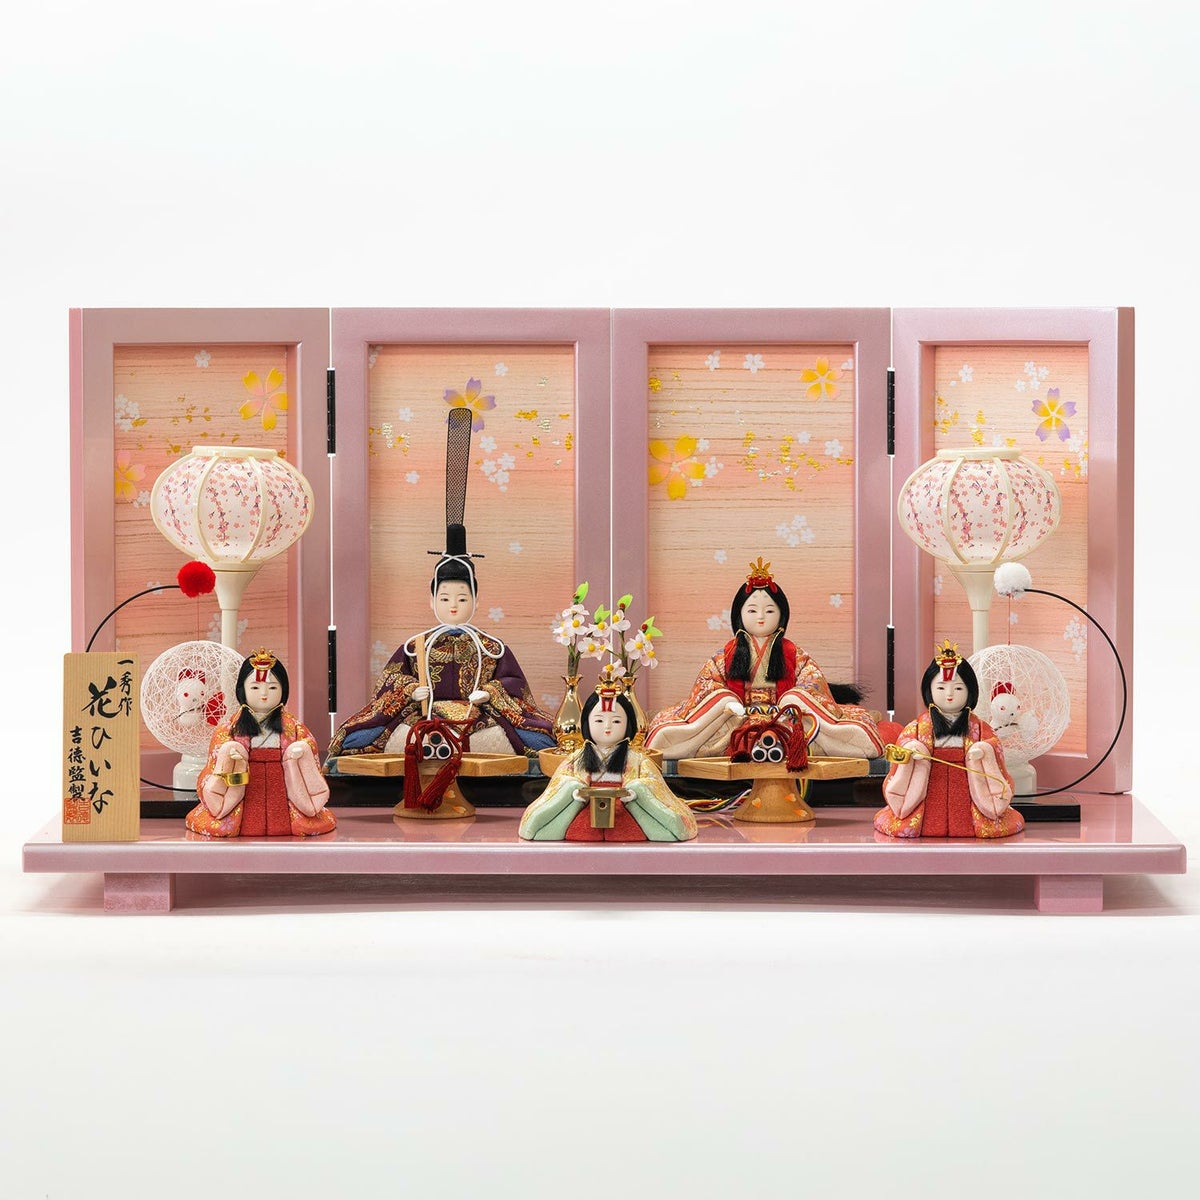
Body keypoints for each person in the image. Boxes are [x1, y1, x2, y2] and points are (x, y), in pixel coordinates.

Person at [326, 523, 554, 763]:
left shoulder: (492, 648)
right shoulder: (415, 646)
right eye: (444, 598)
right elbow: (390, 682)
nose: (453, 605)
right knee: (357, 739)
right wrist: (411, 690)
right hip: (423, 715)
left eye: (462, 598)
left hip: (479, 717)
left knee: (541, 741)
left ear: (476, 601)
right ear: (432, 601)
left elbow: (514, 683)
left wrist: (489, 692)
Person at [644, 557, 884, 761]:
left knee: (800, 707)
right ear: (739, 615)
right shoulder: (726, 654)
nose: (761, 617)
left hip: (784, 717)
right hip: (738, 718)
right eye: (752, 610)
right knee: (717, 709)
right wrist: (728, 702)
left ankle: (773, 743)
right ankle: (762, 745)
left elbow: (811, 681)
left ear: (781, 615)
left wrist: (792, 701)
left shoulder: (793, 653)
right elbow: (708, 683)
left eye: (769, 611)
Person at [520, 671, 697, 842]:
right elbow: (558, 787)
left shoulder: (639, 761)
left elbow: (655, 789)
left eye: (616, 721)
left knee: (665, 825)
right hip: (585, 816)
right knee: (554, 809)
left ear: (628, 725)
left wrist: (638, 792)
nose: (607, 727)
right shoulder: (575, 759)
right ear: (586, 723)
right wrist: (573, 792)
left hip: (625, 817)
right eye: (599, 720)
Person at [875, 641, 1024, 839]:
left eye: (958, 688)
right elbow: (903, 746)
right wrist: (913, 749)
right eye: (941, 687)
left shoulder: (980, 728)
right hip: (930, 784)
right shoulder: (917, 728)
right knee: (927, 818)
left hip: (968, 785)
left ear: (970, 691)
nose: (949, 694)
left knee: (969, 819)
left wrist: (983, 751)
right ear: (929, 691)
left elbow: (993, 746)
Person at [187, 649, 336, 838]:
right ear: (242, 690)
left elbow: (308, 746)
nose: (264, 694)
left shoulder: (294, 727)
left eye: (272, 688)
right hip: (246, 784)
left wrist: (301, 750)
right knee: (235, 821)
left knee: (293, 821)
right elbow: (218, 753)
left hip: (282, 781)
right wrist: (230, 752)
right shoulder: (230, 728)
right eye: (255, 688)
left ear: (283, 690)